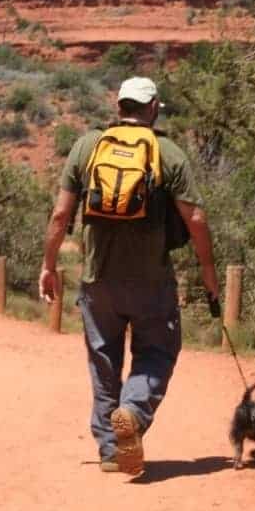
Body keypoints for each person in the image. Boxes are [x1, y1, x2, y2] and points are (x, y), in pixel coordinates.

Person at [39, 76, 219, 475]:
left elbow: (59, 216)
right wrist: (209, 271)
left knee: (104, 362)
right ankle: (133, 413)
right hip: (152, 282)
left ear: (118, 105)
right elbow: (197, 219)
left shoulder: (87, 147)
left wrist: (48, 266)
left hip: (97, 280)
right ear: (152, 107)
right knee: (158, 352)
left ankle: (108, 448)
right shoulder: (167, 153)